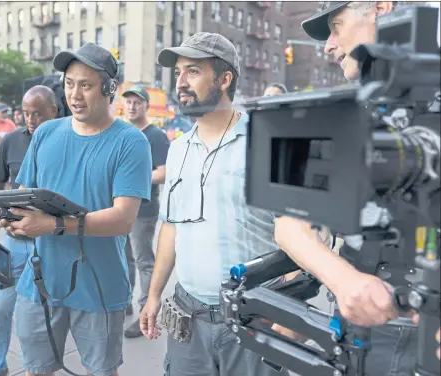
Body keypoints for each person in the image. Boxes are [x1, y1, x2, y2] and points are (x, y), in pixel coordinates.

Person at [275, 2, 434, 375]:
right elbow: (289, 225)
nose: (329, 46)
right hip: (368, 328)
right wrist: (343, 281)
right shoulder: (343, 114)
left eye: (336, 26)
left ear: (380, 7)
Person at [0, 42, 152, 376]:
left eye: (86, 85)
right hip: (40, 285)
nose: (75, 95)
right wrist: (5, 215)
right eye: (69, 84)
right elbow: (23, 194)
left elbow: (122, 219)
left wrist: (50, 225)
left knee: (101, 371)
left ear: (110, 89)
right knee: (37, 369)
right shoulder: (47, 132)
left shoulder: (131, 142)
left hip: (99, 287)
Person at [139, 32, 289, 376]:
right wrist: (153, 294)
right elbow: (171, 227)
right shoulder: (178, 149)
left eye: (192, 71)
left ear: (224, 79)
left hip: (254, 319)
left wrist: (288, 311)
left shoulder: (266, 142)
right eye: (177, 73)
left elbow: (297, 233)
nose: (180, 82)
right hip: (188, 318)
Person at [0, 85, 58, 376]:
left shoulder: (64, 141)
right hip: (14, 242)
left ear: (54, 111)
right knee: (1, 310)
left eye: (37, 113)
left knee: (38, 316)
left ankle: (35, 368)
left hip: (49, 244)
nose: (31, 119)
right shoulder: (11, 140)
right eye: (26, 113)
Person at [121, 84, 170, 338]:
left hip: (144, 209)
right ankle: (124, 302)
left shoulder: (156, 136)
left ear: (146, 106)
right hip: (120, 207)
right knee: (124, 258)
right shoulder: (122, 133)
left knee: (143, 260)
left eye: (136, 102)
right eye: (128, 102)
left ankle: (145, 313)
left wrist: (134, 178)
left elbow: (163, 172)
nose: (131, 106)